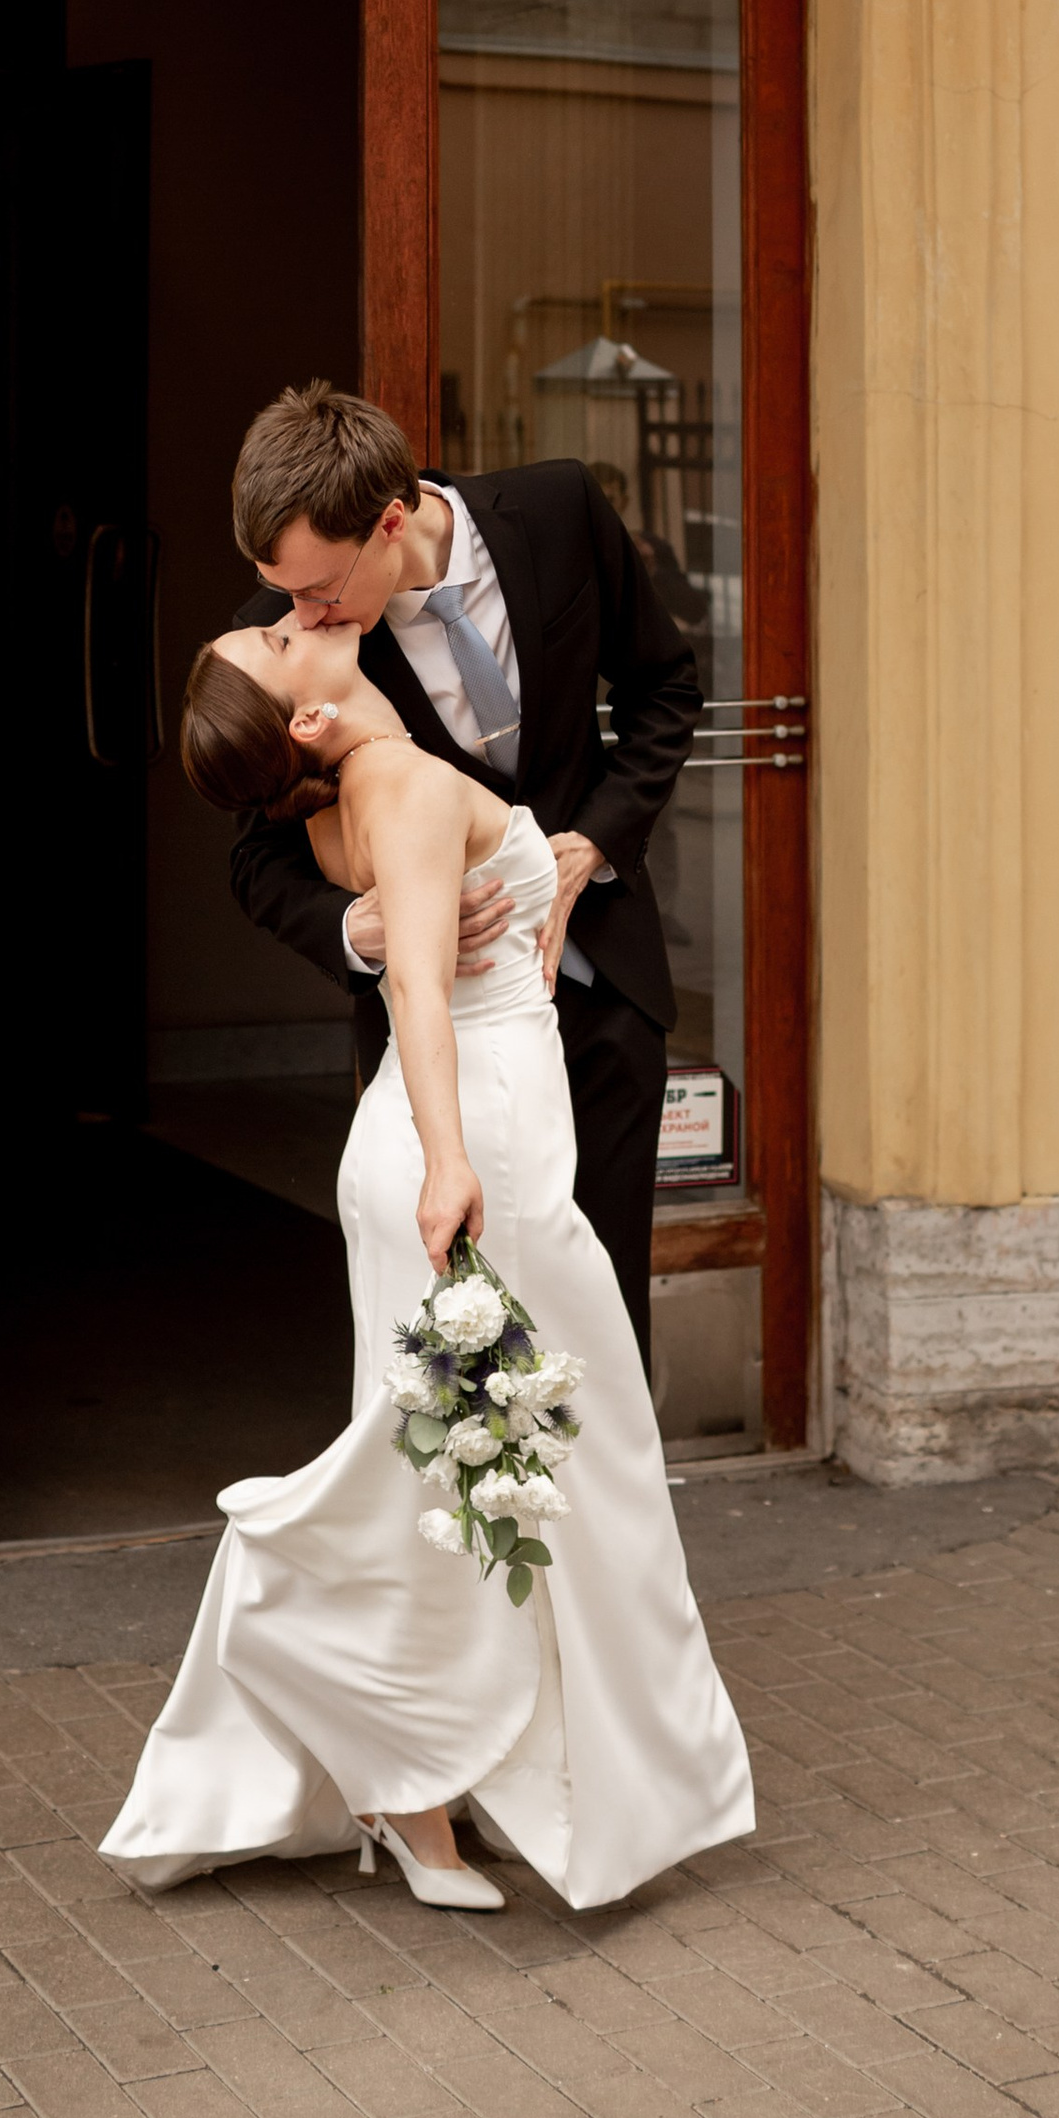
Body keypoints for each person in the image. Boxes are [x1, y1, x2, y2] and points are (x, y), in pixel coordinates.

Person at [100, 611, 752, 1911]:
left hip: (464, 1139)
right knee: (506, 1463)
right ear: (303, 716)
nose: (297, 617)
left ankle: (468, 1772)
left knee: (493, 1465)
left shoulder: (361, 786)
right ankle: (419, 1779)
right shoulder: (388, 786)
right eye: (277, 636)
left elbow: (417, 909)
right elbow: (417, 992)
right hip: (464, 1149)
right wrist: (452, 1159)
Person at [223, 384, 699, 1372]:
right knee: (464, 1355)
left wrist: (597, 840)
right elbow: (252, 855)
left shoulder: (562, 510)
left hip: (603, 995)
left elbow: (664, 688)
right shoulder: (288, 646)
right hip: (444, 1045)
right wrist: (355, 930)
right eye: (285, 593)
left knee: (606, 1331)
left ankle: (601, 1524)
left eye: (318, 588)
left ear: (391, 520)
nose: (300, 615)